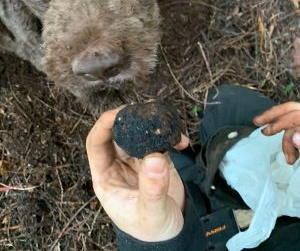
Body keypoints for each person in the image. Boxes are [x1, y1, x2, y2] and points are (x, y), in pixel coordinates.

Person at [86, 85, 300, 250]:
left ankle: (199, 173)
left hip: (204, 236)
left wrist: (156, 243)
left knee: (179, 166)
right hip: (271, 199)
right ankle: (205, 171)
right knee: (225, 102)